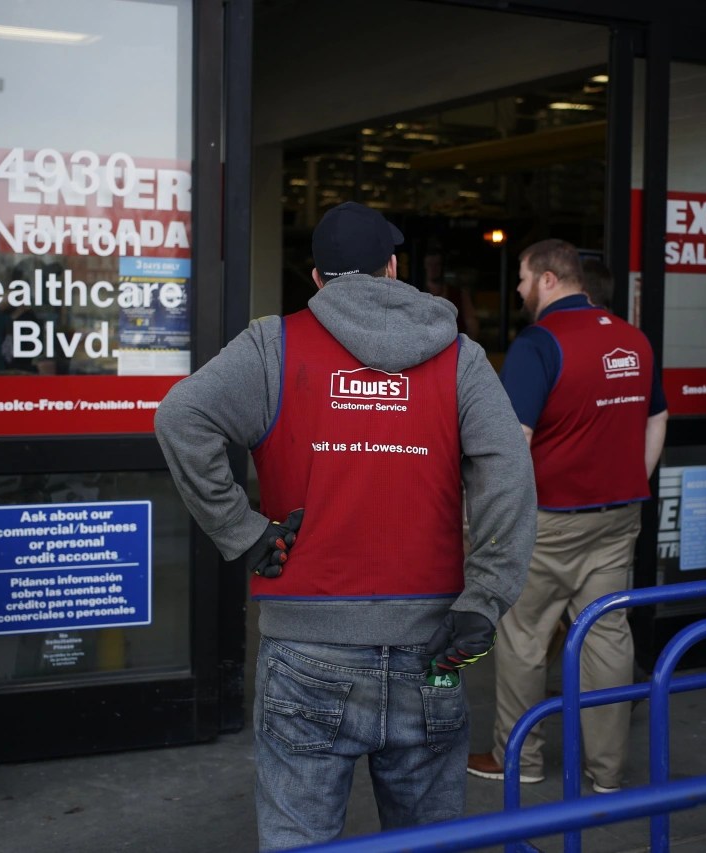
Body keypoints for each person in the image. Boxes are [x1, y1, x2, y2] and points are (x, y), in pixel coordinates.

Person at [154, 201, 536, 850]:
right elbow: (509, 475)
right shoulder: (460, 357)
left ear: (316, 278)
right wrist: (486, 598)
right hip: (436, 650)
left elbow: (179, 419)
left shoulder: (273, 346)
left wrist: (242, 529)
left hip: (305, 651)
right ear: (393, 268)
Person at [467, 242, 668, 792]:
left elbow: (513, 445)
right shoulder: (634, 340)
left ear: (550, 280)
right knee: (606, 637)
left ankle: (520, 761)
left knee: (523, 638)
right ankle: (606, 773)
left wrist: (487, 517)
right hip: (618, 516)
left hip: (548, 522)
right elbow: (658, 416)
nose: (518, 290)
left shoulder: (538, 345)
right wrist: (632, 480)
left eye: (524, 279)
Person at [421, 239, 480, 341]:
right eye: (430, 264)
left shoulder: (459, 294)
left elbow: (472, 326)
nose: (433, 269)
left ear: (442, 267)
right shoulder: (416, 294)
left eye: (437, 265)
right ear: (425, 266)